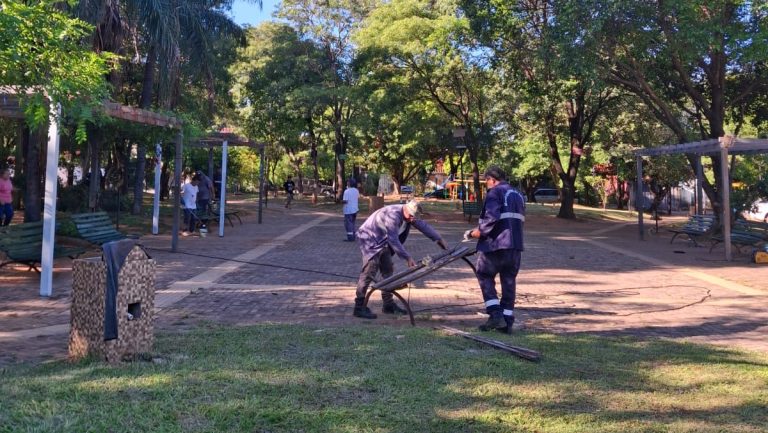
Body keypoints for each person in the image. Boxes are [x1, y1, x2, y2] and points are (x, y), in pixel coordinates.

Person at [353, 200, 448, 319]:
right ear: (406, 209)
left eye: (414, 217)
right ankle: (359, 307)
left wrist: (438, 239)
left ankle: (388, 305)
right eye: (410, 216)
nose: (412, 220)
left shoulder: (410, 214)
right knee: (369, 271)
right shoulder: (393, 215)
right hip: (369, 239)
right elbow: (393, 240)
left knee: (388, 270)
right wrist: (407, 257)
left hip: (382, 241)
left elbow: (423, 226)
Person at [464, 166, 525, 334]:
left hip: (495, 245)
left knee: (484, 274)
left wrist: (477, 232)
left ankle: (496, 315)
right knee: (509, 281)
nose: (486, 185)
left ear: (492, 179)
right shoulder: (518, 194)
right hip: (515, 246)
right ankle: (507, 322)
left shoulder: (495, 192)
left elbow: (491, 217)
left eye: (486, 181)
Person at [342, 177, 359, 241]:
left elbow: (345, 201)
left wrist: (340, 201)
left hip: (348, 210)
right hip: (355, 209)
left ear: (349, 183)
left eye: (348, 182)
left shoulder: (347, 191)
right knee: (353, 223)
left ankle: (350, 238)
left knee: (348, 224)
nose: (347, 183)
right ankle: (353, 236)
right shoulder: (356, 190)